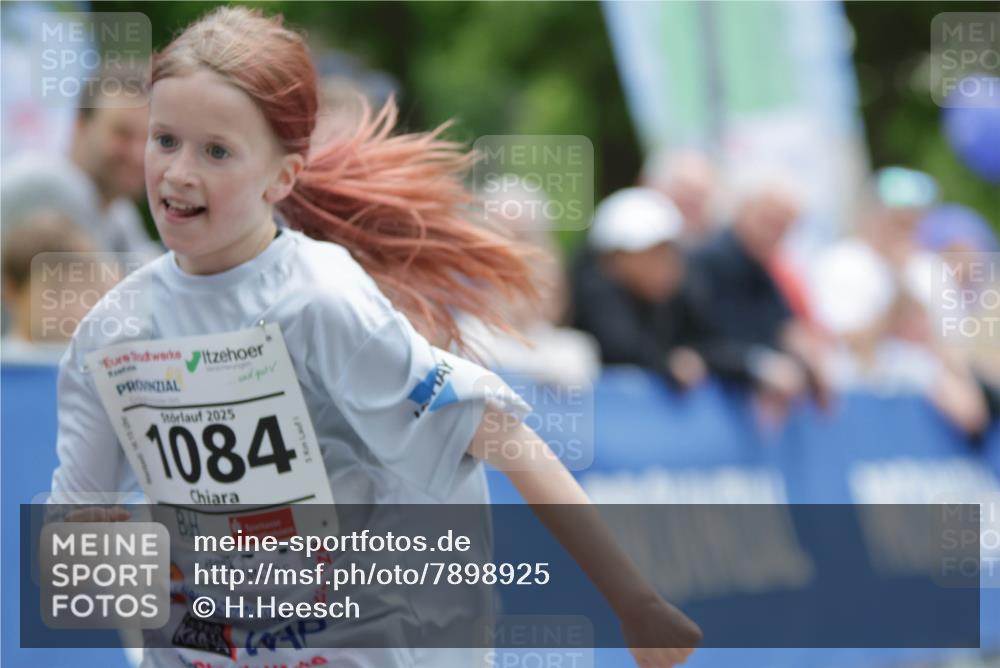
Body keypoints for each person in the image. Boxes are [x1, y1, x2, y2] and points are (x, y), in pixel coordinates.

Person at [49, 7, 700, 668]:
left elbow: (504, 434)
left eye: (216, 150)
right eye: (165, 140)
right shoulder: (112, 331)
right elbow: (79, 558)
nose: (179, 172)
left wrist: (633, 599)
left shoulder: (317, 299)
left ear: (283, 176)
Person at [572, 187, 765, 390]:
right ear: (615, 259)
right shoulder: (596, 293)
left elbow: (711, 343)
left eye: (669, 252)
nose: (666, 265)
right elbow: (620, 347)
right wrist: (667, 363)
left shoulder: (681, 296)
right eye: (652, 253)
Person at [1, 62, 161, 259]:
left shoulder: (119, 214)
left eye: (148, 138)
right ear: (81, 125)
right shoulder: (51, 183)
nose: (137, 153)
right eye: (122, 134)